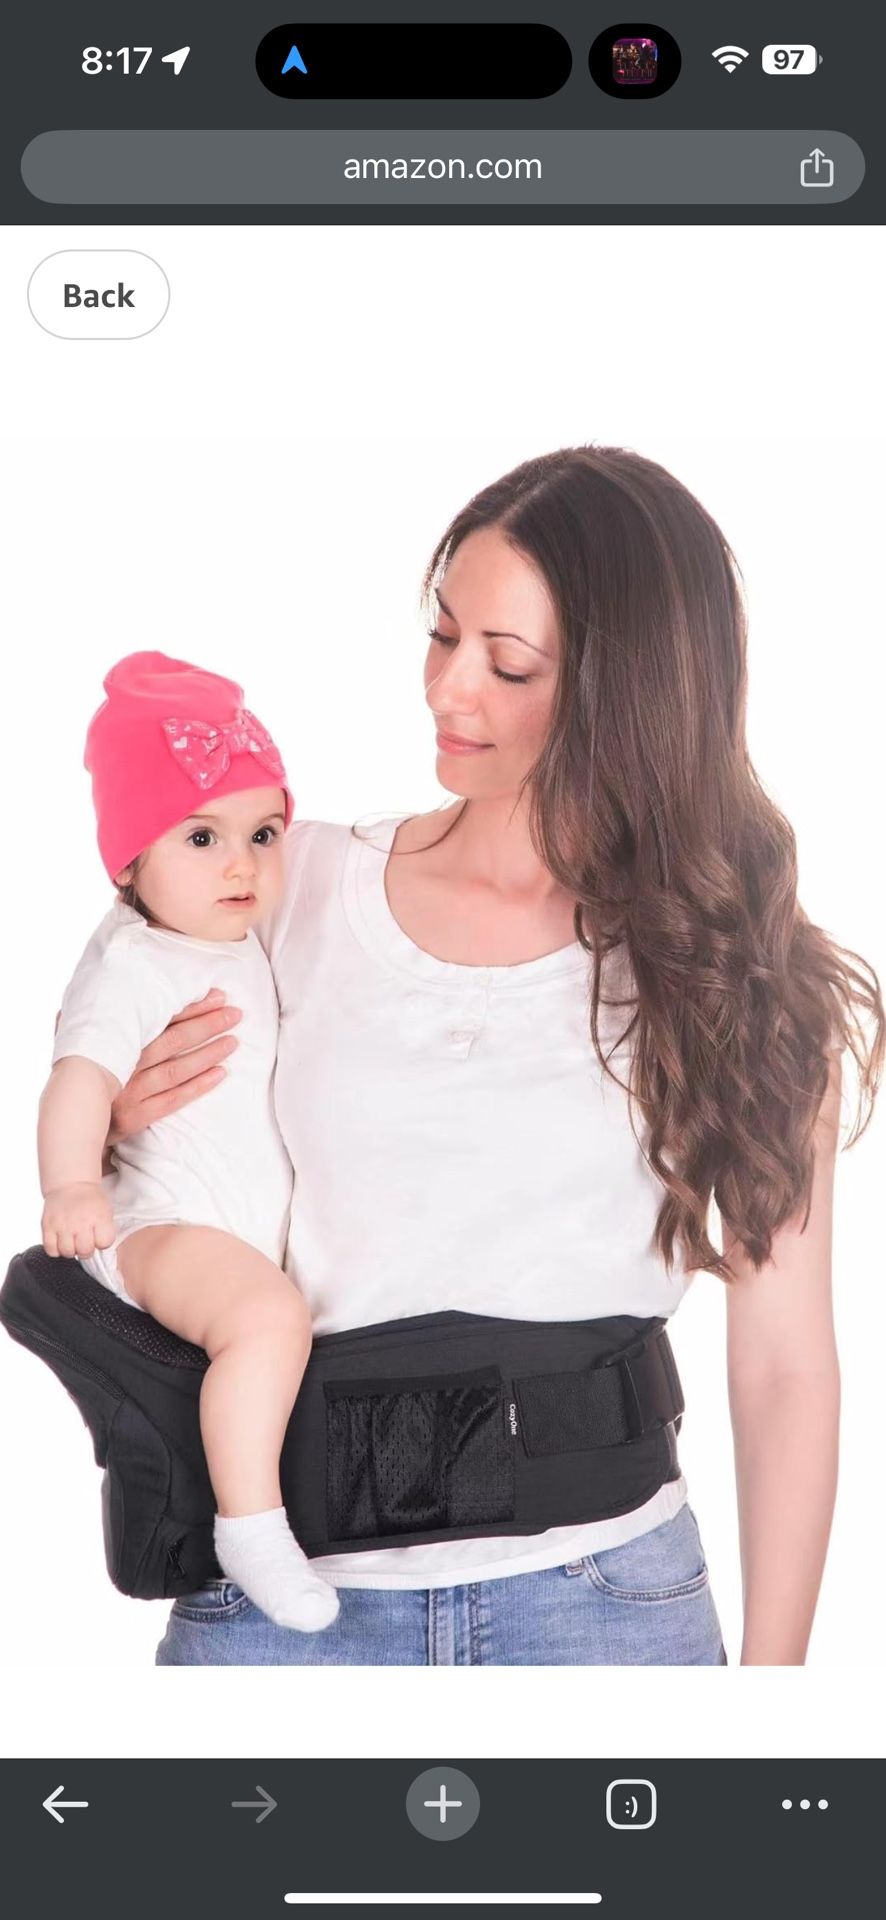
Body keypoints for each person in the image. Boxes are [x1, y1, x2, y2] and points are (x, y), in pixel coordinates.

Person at [109, 447, 882, 1666]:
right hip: (276, 1596)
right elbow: (131, 1118)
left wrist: (775, 1700)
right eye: (442, 634)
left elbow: (785, 1364)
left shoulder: (735, 968)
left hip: (602, 1604)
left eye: (507, 663)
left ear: (628, 692)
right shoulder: (285, 884)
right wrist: (118, 1127)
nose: (447, 688)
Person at [38, 653, 340, 1633]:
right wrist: (71, 1183)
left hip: (228, 1229)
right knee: (266, 1323)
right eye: (202, 837)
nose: (241, 864)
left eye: (263, 834)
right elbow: (80, 1076)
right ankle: (250, 1529)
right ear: (129, 863)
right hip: (160, 1227)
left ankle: (197, 1482)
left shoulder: (238, 939)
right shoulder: (135, 962)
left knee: (276, 1331)